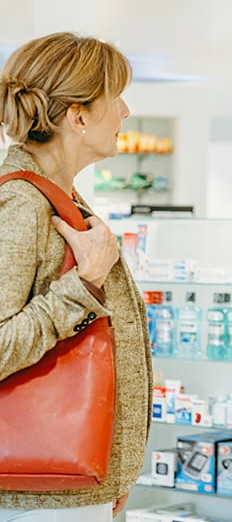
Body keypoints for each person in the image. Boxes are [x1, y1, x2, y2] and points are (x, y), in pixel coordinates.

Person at [0, 33, 152, 521]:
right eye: (116, 98)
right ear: (79, 117)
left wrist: (114, 474)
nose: (125, 111)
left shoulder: (57, 197)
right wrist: (81, 287)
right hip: (36, 496)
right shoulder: (21, 204)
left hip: (73, 487)